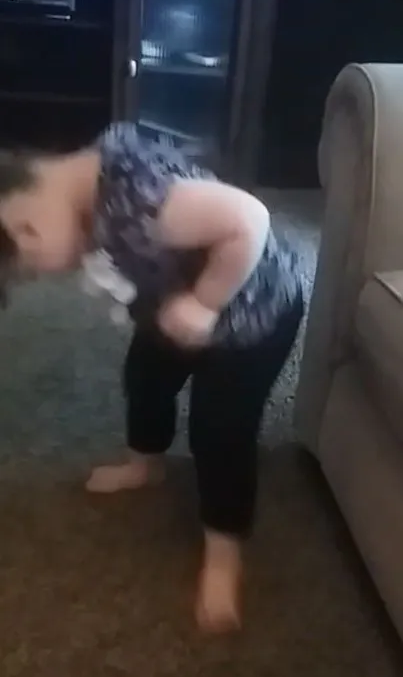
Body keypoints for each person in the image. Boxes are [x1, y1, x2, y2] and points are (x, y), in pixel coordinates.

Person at [0, 123, 303, 632]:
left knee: (219, 430)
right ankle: (146, 463)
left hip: (251, 317)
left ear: (26, 225)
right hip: (172, 308)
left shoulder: (143, 200)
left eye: (29, 270)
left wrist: (206, 303)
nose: (43, 277)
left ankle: (224, 550)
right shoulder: (83, 192)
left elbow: (249, 218)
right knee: (144, 378)